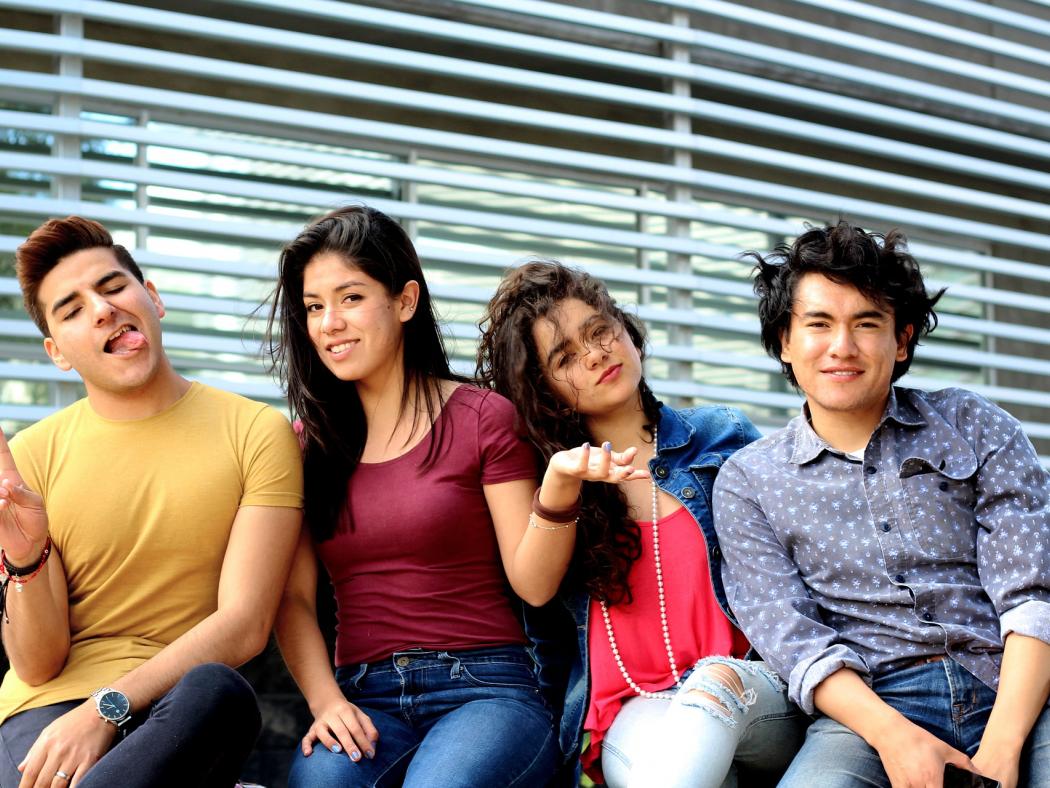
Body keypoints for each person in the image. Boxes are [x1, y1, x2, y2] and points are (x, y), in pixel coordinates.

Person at [713, 221, 1050, 788]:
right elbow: (793, 639)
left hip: (1018, 686)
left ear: (902, 339)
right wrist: (899, 741)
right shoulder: (749, 481)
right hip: (870, 709)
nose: (842, 347)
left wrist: (1002, 748)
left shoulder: (975, 424)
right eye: (818, 324)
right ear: (784, 342)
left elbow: (1033, 595)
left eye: (866, 324)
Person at [476, 260, 805, 787]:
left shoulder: (720, 438)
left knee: (712, 690)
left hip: (751, 689)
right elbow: (534, 590)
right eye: (565, 357)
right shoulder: (550, 483)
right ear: (544, 392)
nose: (595, 354)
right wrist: (561, 487)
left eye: (599, 330)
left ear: (625, 328)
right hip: (635, 706)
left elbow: (799, 560)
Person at [0, 216, 304, 788]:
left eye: (113, 287)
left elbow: (244, 625)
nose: (101, 308)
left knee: (220, 690)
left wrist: (104, 709)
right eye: (71, 310)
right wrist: (27, 556)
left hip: (178, 712)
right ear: (56, 352)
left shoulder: (255, 432)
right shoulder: (31, 457)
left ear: (153, 299)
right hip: (47, 719)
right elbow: (37, 665)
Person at [265, 205, 559, 787]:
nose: (329, 323)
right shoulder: (304, 446)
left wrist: (559, 497)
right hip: (362, 696)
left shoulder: (482, 417)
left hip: (486, 690)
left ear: (405, 301)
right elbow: (293, 600)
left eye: (350, 298)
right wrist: (326, 703)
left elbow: (535, 581)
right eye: (314, 307)